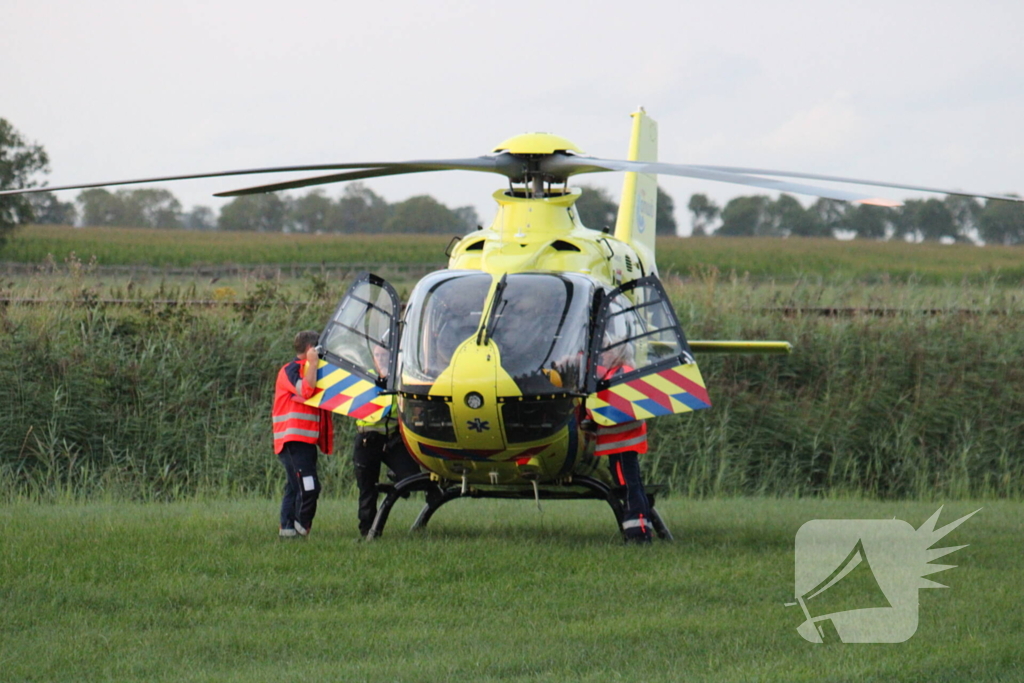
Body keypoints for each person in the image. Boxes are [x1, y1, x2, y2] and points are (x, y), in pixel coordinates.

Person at [352, 341, 424, 537]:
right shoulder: (364, 378)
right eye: (378, 356)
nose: (382, 359)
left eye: (385, 356)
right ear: (373, 358)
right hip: (368, 438)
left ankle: (394, 482)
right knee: (367, 489)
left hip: (392, 439)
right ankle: (367, 531)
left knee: (413, 479)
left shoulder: (399, 379)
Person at [273, 330, 334, 538]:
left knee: (294, 486)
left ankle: (287, 532)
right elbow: (306, 391)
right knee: (309, 486)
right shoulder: (291, 370)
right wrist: (313, 364)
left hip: (306, 441)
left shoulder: (312, 370)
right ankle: (301, 528)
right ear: (311, 350)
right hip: (292, 440)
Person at [593, 341, 653, 543]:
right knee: (630, 485)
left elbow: (610, 408)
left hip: (622, 444)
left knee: (628, 487)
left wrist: (590, 418)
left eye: (608, 352)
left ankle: (637, 535)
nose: (604, 355)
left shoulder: (622, 375)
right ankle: (641, 530)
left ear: (618, 354)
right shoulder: (618, 373)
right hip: (620, 444)